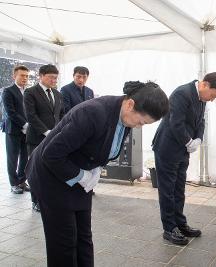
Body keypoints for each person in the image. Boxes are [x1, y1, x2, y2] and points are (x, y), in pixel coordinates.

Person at [25, 81, 169, 267]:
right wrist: (82, 176)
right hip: (50, 176)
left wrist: (94, 171)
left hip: (77, 173)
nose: (140, 126)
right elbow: (51, 155)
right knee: (64, 241)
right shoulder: (93, 113)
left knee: (83, 237)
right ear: (130, 104)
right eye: (141, 121)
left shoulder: (124, 117)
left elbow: (105, 147)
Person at [152, 72, 216, 245]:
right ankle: (169, 228)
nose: (212, 100)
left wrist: (198, 139)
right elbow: (175, 122)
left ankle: (180, 223)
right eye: (213, 95)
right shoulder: (182, 93)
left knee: (179, 189)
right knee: (167, 190)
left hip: (182, 150)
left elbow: (201, 121)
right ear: (205, 85)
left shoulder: (202, 98)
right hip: (167, 148)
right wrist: (188, 141)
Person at [24, 64, 64, 212]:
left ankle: (49, 199)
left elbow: (61, 115)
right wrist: (47, 132)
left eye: (55, 78)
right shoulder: (30, 92)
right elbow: (31, 116)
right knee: (36, 171)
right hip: (36, 138)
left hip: (54, 138)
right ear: (41, 76)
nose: (54, 80)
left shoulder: (58, 94)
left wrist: (59, 131)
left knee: (51, 170)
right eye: (51, 77)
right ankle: (36, 201)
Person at [2, 65, 30, 194]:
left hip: (27, 131)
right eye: (22, 75)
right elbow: (10, 112)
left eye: (26, 76)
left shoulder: (28, 91)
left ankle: (21, 181)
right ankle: (14, 184)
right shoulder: (8, 91)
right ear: (14, 76)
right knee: (12, 158)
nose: (25, 78)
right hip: (13, 130)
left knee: (25, 157)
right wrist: (25, 125)